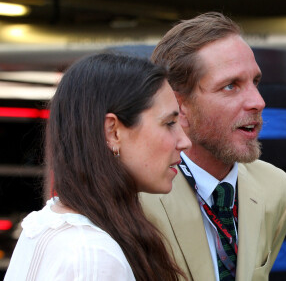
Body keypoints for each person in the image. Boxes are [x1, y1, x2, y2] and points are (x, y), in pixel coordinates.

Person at [5, 53, 191, 281]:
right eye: (169, 123)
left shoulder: (50, 226)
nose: (184, 141)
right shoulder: (93, 256)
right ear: (112, 132)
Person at [140, 12, 286, 281]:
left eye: (255, 82)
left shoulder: (275, 188)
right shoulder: (133, 197)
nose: (258, 101)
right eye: (231, 86)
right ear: (179, 107)